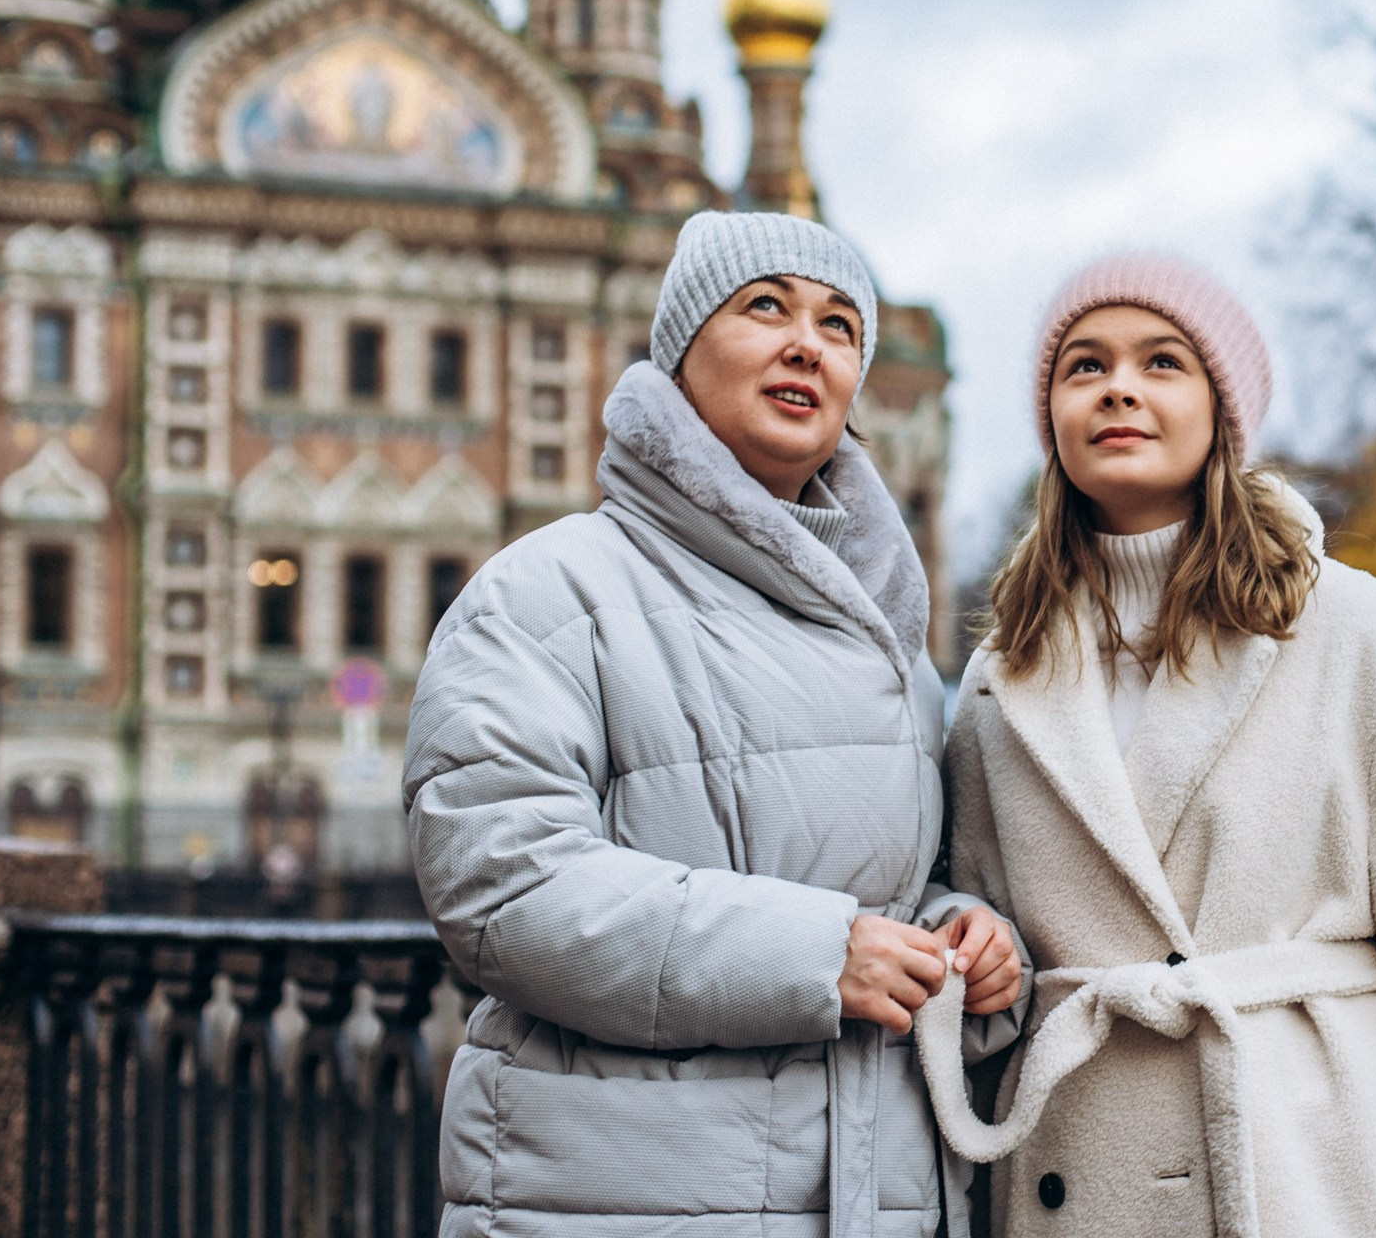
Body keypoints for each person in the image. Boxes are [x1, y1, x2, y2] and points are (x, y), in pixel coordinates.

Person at [917, 254, 1376, 1238]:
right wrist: (969, 938)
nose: (1119, 388)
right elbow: (981, 937)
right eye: (1085, 365)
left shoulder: (1354, 632)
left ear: (1222, 407)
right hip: (1076, 1181)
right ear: (1051, 416)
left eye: (1163, 361)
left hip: (1314, 1183)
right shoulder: (1000, 679)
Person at [404, 212, 1027, 1238]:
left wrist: (964, 940)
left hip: (869, 1197)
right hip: (620, 1200)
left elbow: (885, 886)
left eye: (839, 326)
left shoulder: (889, 642)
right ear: (680, 351)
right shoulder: (548, 592)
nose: (807, 343)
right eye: (765, 307)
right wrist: (819, 957)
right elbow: (503, 885)